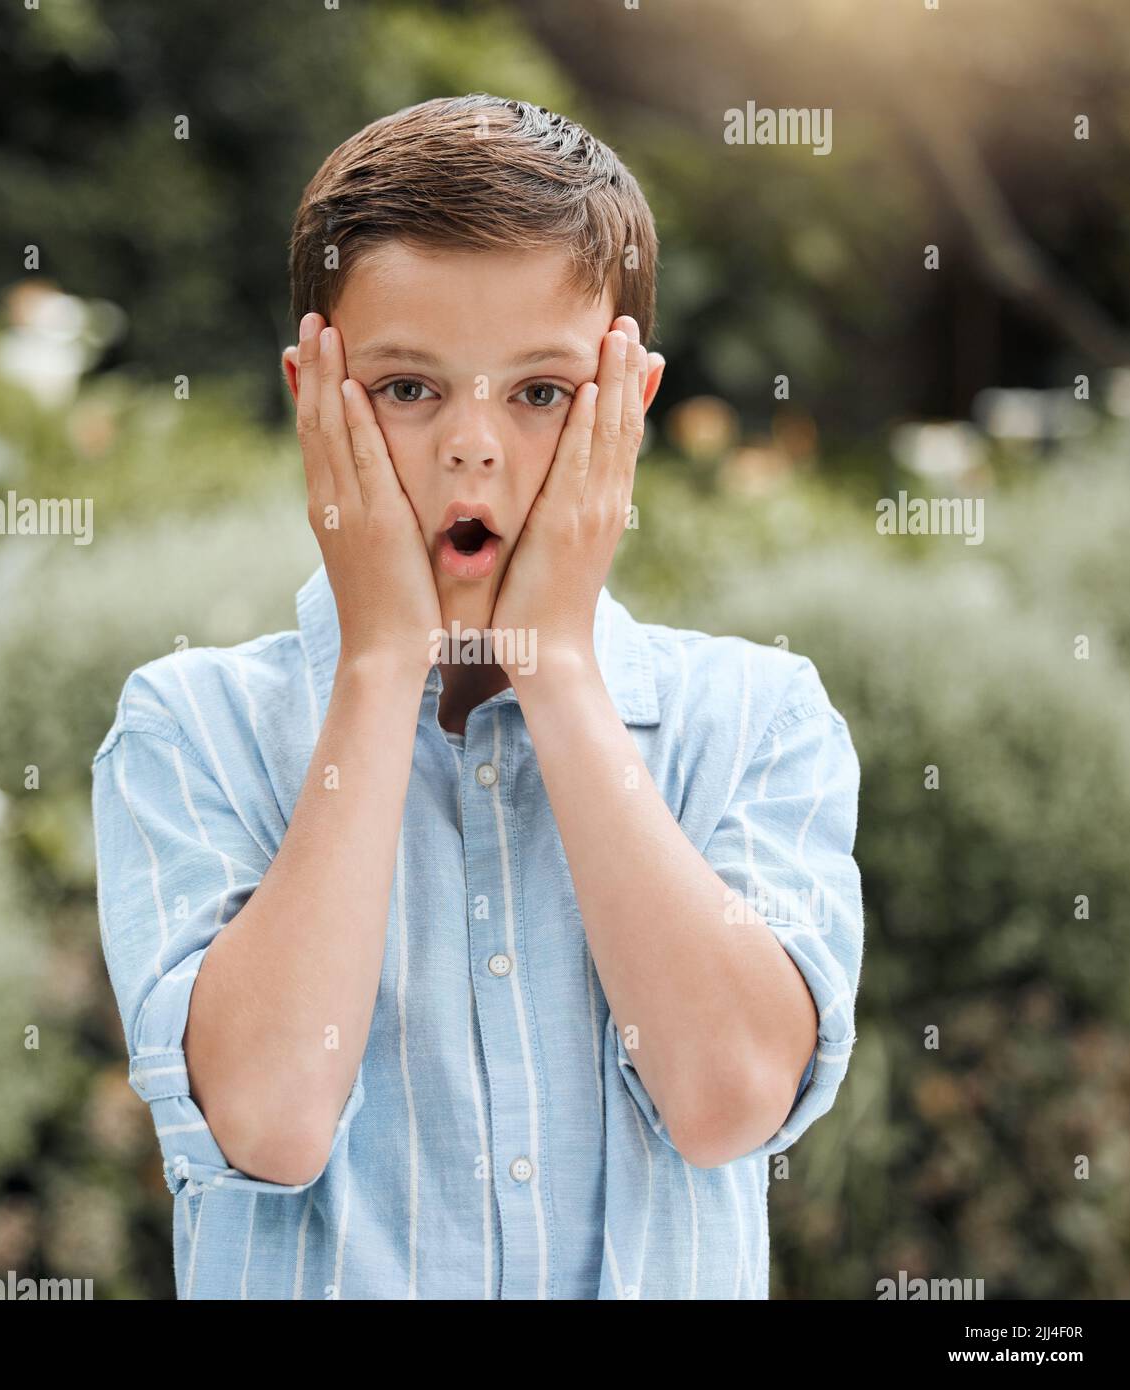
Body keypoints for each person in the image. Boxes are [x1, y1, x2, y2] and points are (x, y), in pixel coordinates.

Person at [91, 94, 864, 1300]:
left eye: (541, 392)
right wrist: (379, 661)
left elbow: (723, 1102)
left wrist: (552, 662)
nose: (474, 447)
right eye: (408, 389)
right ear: (313, 393)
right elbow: (271, 1120)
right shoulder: (191, 729)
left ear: (630, 401)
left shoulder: (756, 717)